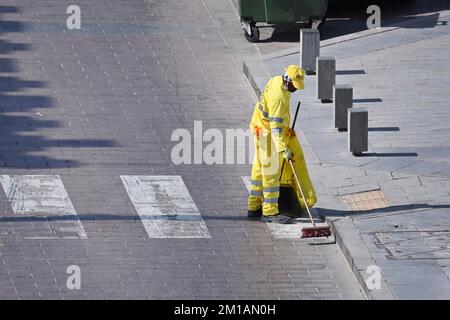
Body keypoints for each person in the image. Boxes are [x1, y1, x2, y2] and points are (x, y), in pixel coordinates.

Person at [247, 65, 305, 224]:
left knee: (259, 170)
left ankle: (254, 206)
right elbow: (276, 128)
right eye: (294, 85)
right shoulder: (278, 97)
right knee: (271, 174)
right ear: (288, 81)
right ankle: (270, 212)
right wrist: (283, 149)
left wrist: (287, 129)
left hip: (260, 128)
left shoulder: (275, 80)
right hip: (269, 136)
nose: (295, 89)